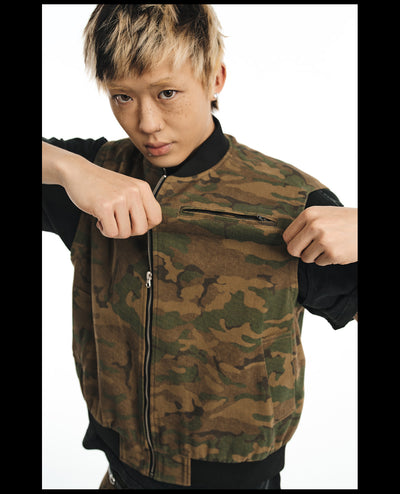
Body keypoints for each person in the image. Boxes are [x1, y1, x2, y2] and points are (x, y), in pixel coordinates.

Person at [42, 5, 357, 489]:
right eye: (122, 96)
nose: (147, 123)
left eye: (167, 93)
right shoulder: (94, 178)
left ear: (215, 79)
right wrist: (70, 170)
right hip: (121, 476)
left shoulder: (290, 202)